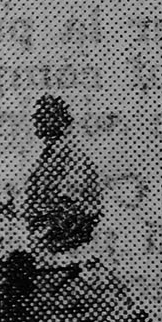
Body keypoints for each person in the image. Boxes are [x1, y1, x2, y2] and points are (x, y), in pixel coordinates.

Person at [23, 94, 104, 258]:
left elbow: (69, 205)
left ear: (57, 120)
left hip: (68, 244)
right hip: (48, 238)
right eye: (38, 115)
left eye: (44, 116)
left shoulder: (71, 157)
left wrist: (39, 238)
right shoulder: (48, 156)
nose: (37, 120)